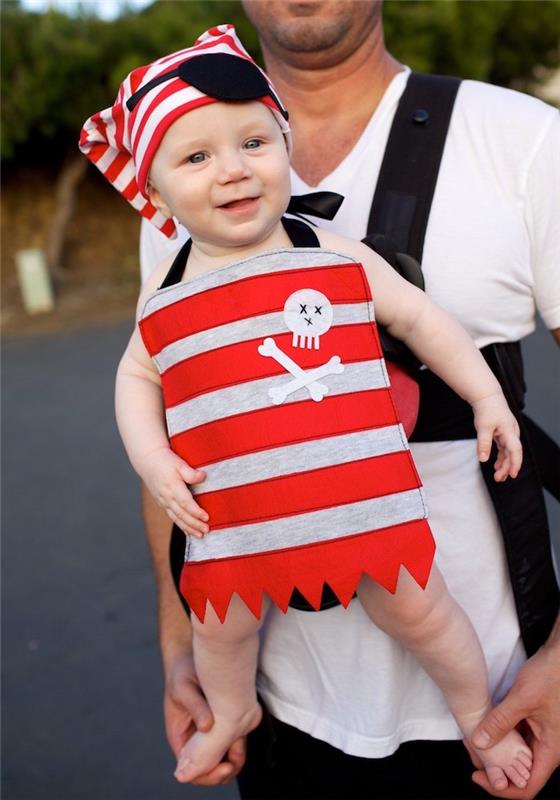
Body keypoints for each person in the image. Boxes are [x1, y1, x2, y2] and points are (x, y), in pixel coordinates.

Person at [80, 24, 535, 791]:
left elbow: (422, 320)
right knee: (220, 631)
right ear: (154, 192)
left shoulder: (331, 254)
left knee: (427, 616)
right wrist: (155, 461)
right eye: (196, 157)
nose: (233, 171)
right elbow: (136, 381)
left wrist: (487, 395)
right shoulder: (169, 294)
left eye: (254, 143)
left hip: (363, 502)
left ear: (283, 147)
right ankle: (232, 713)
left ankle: (475, 717)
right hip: (237, 521)